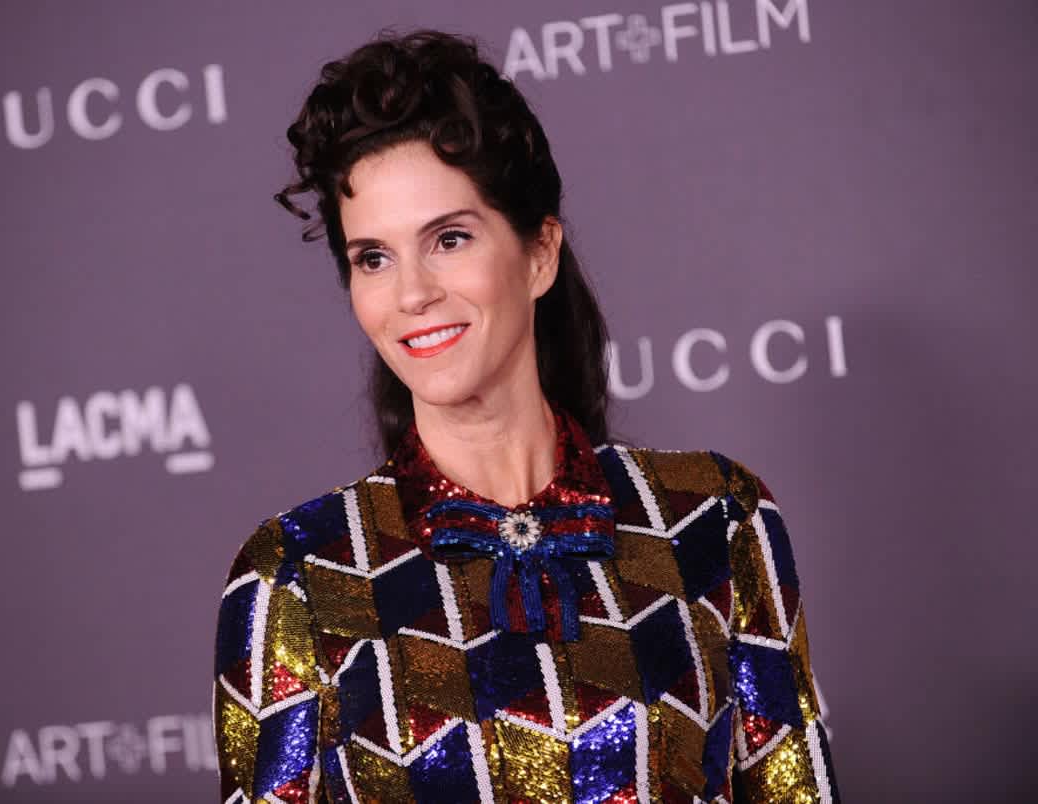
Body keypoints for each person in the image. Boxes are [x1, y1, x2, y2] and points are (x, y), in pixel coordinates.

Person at [212, 29, 838, 804]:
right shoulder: (300, 574)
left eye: (448, 239)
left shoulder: (714, 521)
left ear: (539, 254)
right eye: (373, 257)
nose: (411, 294)